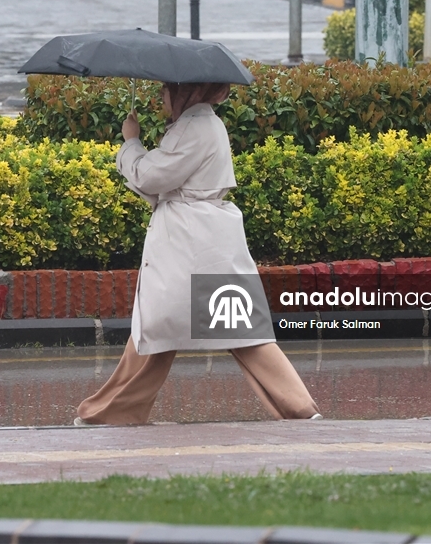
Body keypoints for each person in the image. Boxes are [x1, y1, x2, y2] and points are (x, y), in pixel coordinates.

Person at [75, 82, 321, 425]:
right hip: (207, 239)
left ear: (184, 91)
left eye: (166, 89)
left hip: (187, 240)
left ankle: (110, 412)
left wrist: (131, 141)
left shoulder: (193, 127)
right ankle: (300, 408)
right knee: (217, 328)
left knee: (157, 326)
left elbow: (150, 176)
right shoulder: (203, 123)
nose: (161, 95)